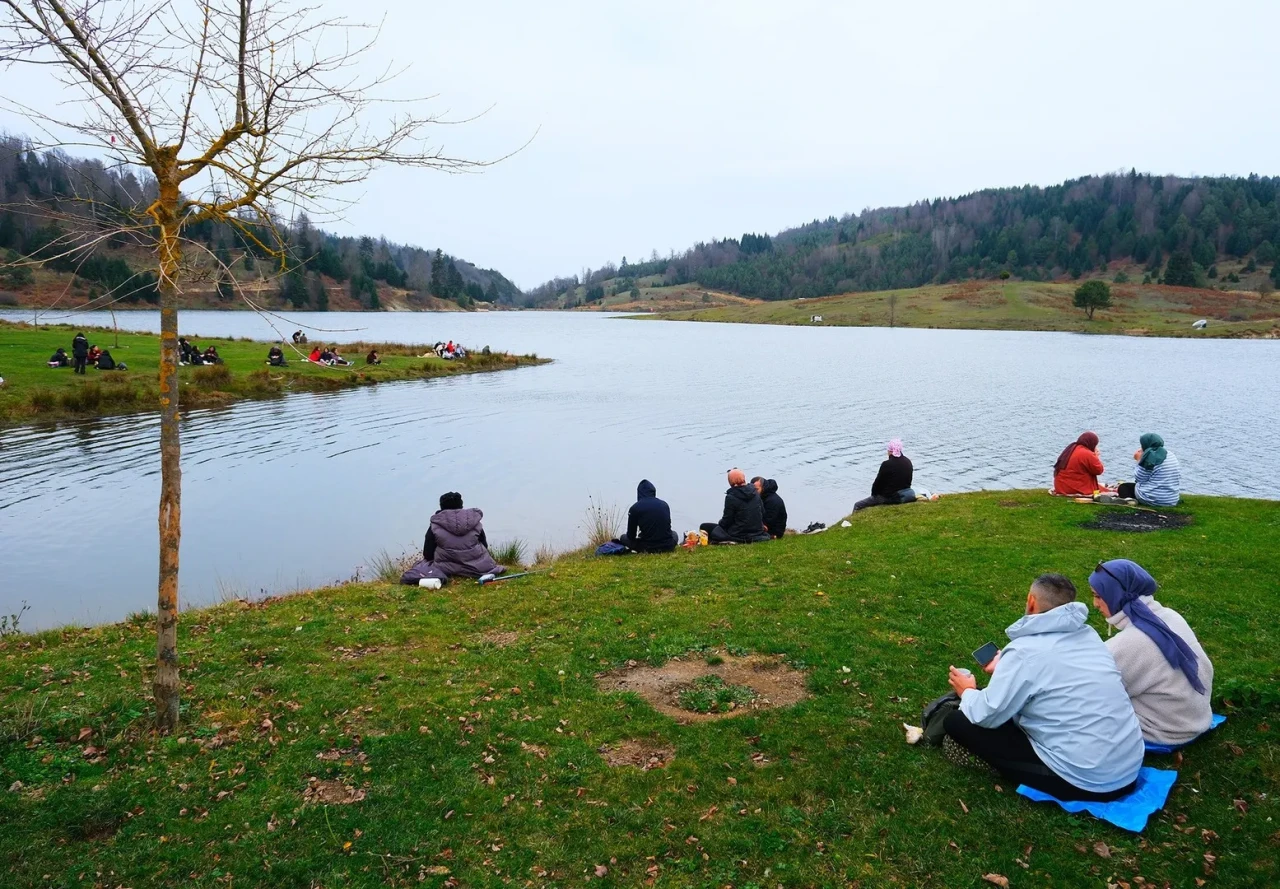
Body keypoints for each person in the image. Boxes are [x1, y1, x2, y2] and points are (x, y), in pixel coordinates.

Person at [941, 573, 1144, 802]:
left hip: (1089, 780)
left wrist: (966, 690)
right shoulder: (1088, 636)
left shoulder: (1024, 651)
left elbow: (986, 714)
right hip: (1129, 765)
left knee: (956, 721)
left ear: (1031, 601)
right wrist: (1008, 669)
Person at [1089, 560, 1213, 746]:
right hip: (1195, 716)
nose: (1095, 604)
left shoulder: (1128, 644)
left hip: (1166, 730)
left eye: (1098, 596)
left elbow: (1094, 696)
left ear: (1116, 594)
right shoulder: (1170, 616)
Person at [420, 491, 504, 580]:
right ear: (461, 505)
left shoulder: (435, 525)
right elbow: (484, 546)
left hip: (445, 570)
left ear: (441, 507)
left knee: (420, 565)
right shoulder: (474, 521)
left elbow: (428, 554)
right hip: (477, 568)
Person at [699, 468, 771, 544]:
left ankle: (725, 541)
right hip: (757, 532)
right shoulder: (755, 492)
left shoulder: (731, 497)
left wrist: (720, 523)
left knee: (705, 527)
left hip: (739, 534)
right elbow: (762, 512)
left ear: (730, 482)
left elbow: (727, 520)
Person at [1117, 433, 1181, 507]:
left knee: (1123, 487)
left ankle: (1129, 501)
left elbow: (1140, 478)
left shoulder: (1149, 457)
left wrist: (1138, 460)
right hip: (1171, 499)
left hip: (1152, 499)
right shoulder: (1170, 454)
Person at [617, 479, 679, 553]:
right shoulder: (664, 505)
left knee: (623, 537)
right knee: (674, 534)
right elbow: (667, 529)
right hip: (668, 546)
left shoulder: (635, 508)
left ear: (639, 493)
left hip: (648, 548)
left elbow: (631, 536)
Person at [854, 438, 914, 511]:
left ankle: (851, 522)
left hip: (891, 498)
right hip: (905, 494)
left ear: (890, 451)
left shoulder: (887, 464)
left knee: (858, 505)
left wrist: (874, 496)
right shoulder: (908, 462)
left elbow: (878, 484)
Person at [1052, 431, 1107, 496]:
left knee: (1101, 487)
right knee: (1105, 491)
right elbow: (1099, 470)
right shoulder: (1087, 454)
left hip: (1060, 487)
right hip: (1073, 488)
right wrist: (1096, 456)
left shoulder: (1071, 448)